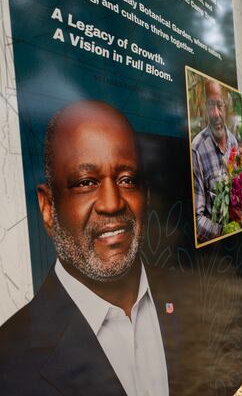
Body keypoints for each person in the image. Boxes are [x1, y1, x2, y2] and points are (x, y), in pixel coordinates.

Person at [0, 101, 168, 395]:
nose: (112, 203)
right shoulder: (8, 361)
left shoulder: (190, 298)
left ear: (146, 194)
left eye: (126, 179)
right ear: (47, 208)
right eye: (85, 182)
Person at [191, 79, 238, 243]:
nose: (216, 113)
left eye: (220, 105)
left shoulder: (233, 142)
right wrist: (225, 232)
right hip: (214, 252)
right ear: (205, 107)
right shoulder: (196, 150)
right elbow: (195, 220)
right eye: (211, 106)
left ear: (227, 106)